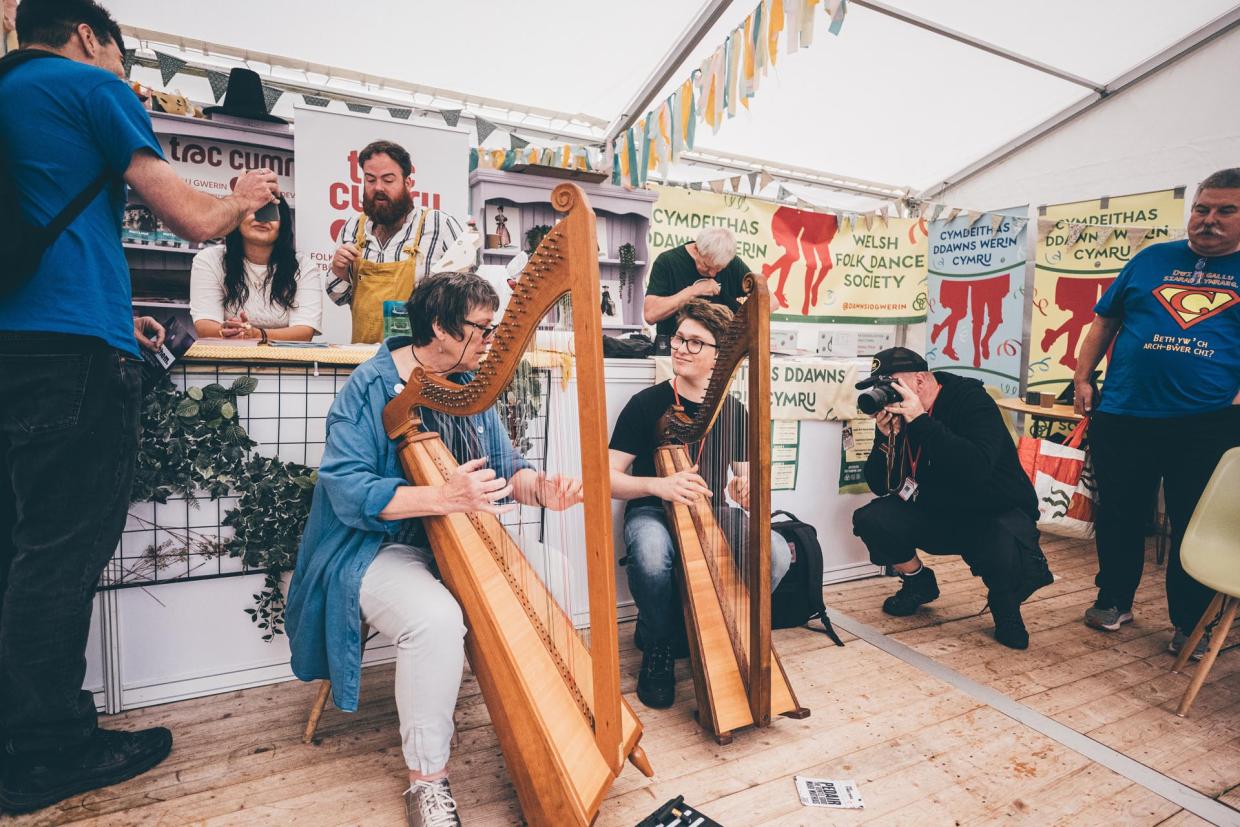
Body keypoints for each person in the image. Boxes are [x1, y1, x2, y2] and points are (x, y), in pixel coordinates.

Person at [0, 0, 279, 814]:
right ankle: (50, 751)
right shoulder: (91, 87)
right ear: (91, 36)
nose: (124, 66)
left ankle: (17, 734)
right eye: (122, 52)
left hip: (16, 349)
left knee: (19, 551)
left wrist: (113, 310)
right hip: (71, 363)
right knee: (60, 558)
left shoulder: (11, 90)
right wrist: (242, 194)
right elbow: (192, 219)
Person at [286, 271, 583, 827]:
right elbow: (346, 488)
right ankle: (427, 782)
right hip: (369, 546)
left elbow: (505, 467)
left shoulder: (469, 384)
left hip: (453, 542)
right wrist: (440, 496)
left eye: (497, 330)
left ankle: (546, 713)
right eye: (483, 330)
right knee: (435, 620)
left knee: (557, 573)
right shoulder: (371, 387)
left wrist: (539, 487)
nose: (492, 342)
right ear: (442, 328)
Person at [1074, 168, 1240, 658]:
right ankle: (1114, 601)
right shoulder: (1151, 260)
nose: (1208, 220)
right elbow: (1104, 321)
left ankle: (1190, 623)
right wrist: (1083, 379)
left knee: (1193, 522)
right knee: (1120, 513)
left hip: (1206, 423)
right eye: (1202, 208)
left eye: (1225, 210)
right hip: (1125, 413)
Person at [608, 300, 792, 708]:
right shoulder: (646, 404)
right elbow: (608, 477)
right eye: (678, 338)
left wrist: (748, 490)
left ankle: (716, 625)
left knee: (776, 553)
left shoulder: (735, 410)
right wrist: (660, 486)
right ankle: (657, 643)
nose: (680, 348)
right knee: (652, 556)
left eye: (695, 342)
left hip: (709, 512)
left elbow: (748, 479)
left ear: (719, 357)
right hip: (653, 508)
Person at [851, 347, 1053, 650]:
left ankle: (1005, 605)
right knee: (873, 519)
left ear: (919, 380)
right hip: (936, 510)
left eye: (890, 385)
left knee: (1010, 553)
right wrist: (885, 440)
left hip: (989, 512)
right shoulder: (901, 415)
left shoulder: (971, 402)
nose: (886, 394)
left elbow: (974, 467)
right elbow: (881, 485)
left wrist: (920, 420)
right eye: (880, 387)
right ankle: (918, 582)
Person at [325, 140, 464, 344]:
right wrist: (338, 269)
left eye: (388, 180)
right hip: (365, 361)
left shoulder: (440, 226)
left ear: (407, 183)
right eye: (370, 180)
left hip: (422, 363)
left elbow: (466, 300)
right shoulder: (352, 229)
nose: (378, 188)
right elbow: (339, 298)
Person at [190, 197, 322, 342]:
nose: (262, 219)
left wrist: (257, 335)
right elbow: (204, 326)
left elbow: (304, 332)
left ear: (283, 223)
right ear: (236, 218)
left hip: (284, 361)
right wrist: (230, 332)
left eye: (270, 213)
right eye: (253, 210)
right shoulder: (209, 260)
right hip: (227, 359)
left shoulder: (303, 266)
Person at [644, 227, 752, 339]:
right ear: (696, 249)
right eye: (707, 266)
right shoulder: (667, 261)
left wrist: (742, 321)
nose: (712, 274)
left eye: (719, 268)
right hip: (675, 348)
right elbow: (651, 314)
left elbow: (768, 301)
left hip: (722, 350)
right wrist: (694, 290)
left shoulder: (733, 264)